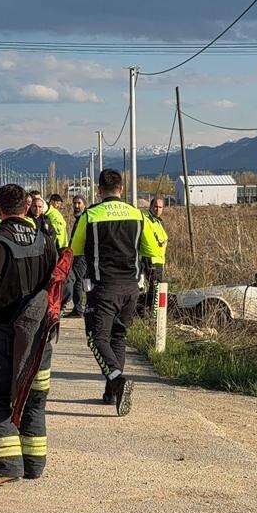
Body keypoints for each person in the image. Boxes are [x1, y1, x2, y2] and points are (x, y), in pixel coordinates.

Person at [0, 183, 58, 487]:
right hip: (40, 336)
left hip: (5, 332)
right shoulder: (46, 239)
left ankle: (7, 465)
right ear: (26, 207)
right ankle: (33, 465)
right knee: (33, 398)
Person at [70, 167, 162, 415]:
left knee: (96, 338)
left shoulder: (89, 216)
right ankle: (111, 393)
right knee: (118, 337)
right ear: (121, 189)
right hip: (131, 289)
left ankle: (118, 380)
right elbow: (152, 250)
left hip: (103, 289)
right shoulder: (138, 215)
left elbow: (74, 249)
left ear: (99, 191)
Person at [138, 193, 168, 316]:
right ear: (150, 207)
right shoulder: (145, 218)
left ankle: (151, 314)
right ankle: (151, 315)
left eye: (160, 207)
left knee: (155, 289)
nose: (157, 209)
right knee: (155, 290)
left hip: (159, 261)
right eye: (155, 206)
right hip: (150, 260)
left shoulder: (158, 222)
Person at [68, 194, 87, 317]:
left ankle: (79, 308)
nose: (76, 206)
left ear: (84, 205)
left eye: (79, 203)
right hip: (76, 255)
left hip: (82, 256)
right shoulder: (78, 219)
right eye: (74, 203)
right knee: (78, 281)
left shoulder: (84, 219)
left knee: (77, 281)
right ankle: (78, 307)